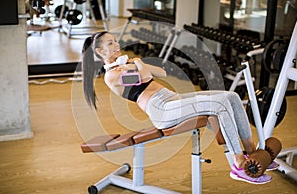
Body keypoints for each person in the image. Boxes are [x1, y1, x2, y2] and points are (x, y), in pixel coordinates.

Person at [82, 31, 278, 184]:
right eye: (110, 43)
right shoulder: (112, 77)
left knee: (231, 96)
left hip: (172, 99)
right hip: (162, 110)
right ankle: (238, 164)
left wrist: (134, 64)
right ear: (100, 52)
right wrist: (138, 64)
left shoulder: (127, 65)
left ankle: (252, 152)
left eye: (115, 40)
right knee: (218, 104)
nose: (116, 45)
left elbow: (162, 72)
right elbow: (146, 78)